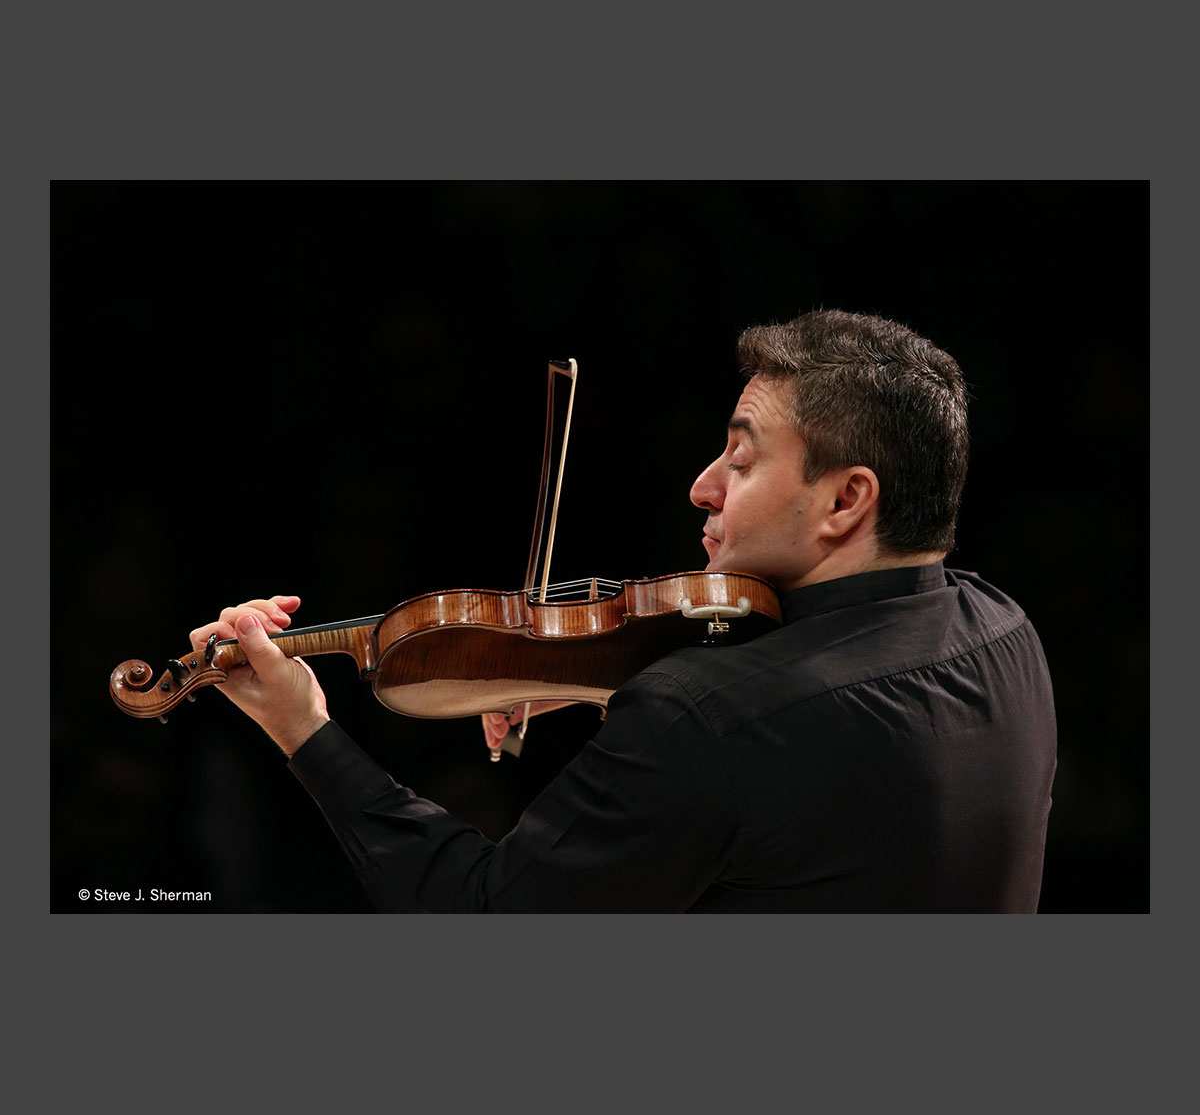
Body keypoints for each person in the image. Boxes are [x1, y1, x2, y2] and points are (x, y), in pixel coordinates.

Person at [190, 310, 1057, 912]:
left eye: (741, 461)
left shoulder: (705, 719)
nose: (703, 487)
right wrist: (598, 679)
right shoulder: (1006, 632)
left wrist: (304, 730)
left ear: (846, 500)